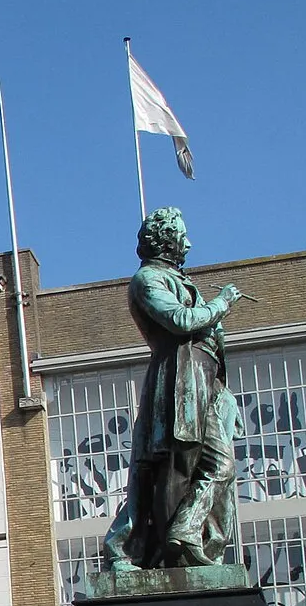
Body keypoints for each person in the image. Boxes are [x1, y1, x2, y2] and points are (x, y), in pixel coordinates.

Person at [102, 205, 244, 571]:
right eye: (183, 236)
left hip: (203, 383)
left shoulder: (177, 280)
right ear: (165, 241)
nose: (189, 243)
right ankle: (152, 545)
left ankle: (185, 529)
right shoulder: (148, 280)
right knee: (170, 467)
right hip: (179, 379)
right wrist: (221, 303)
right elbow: (180, 321)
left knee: (221, 464)